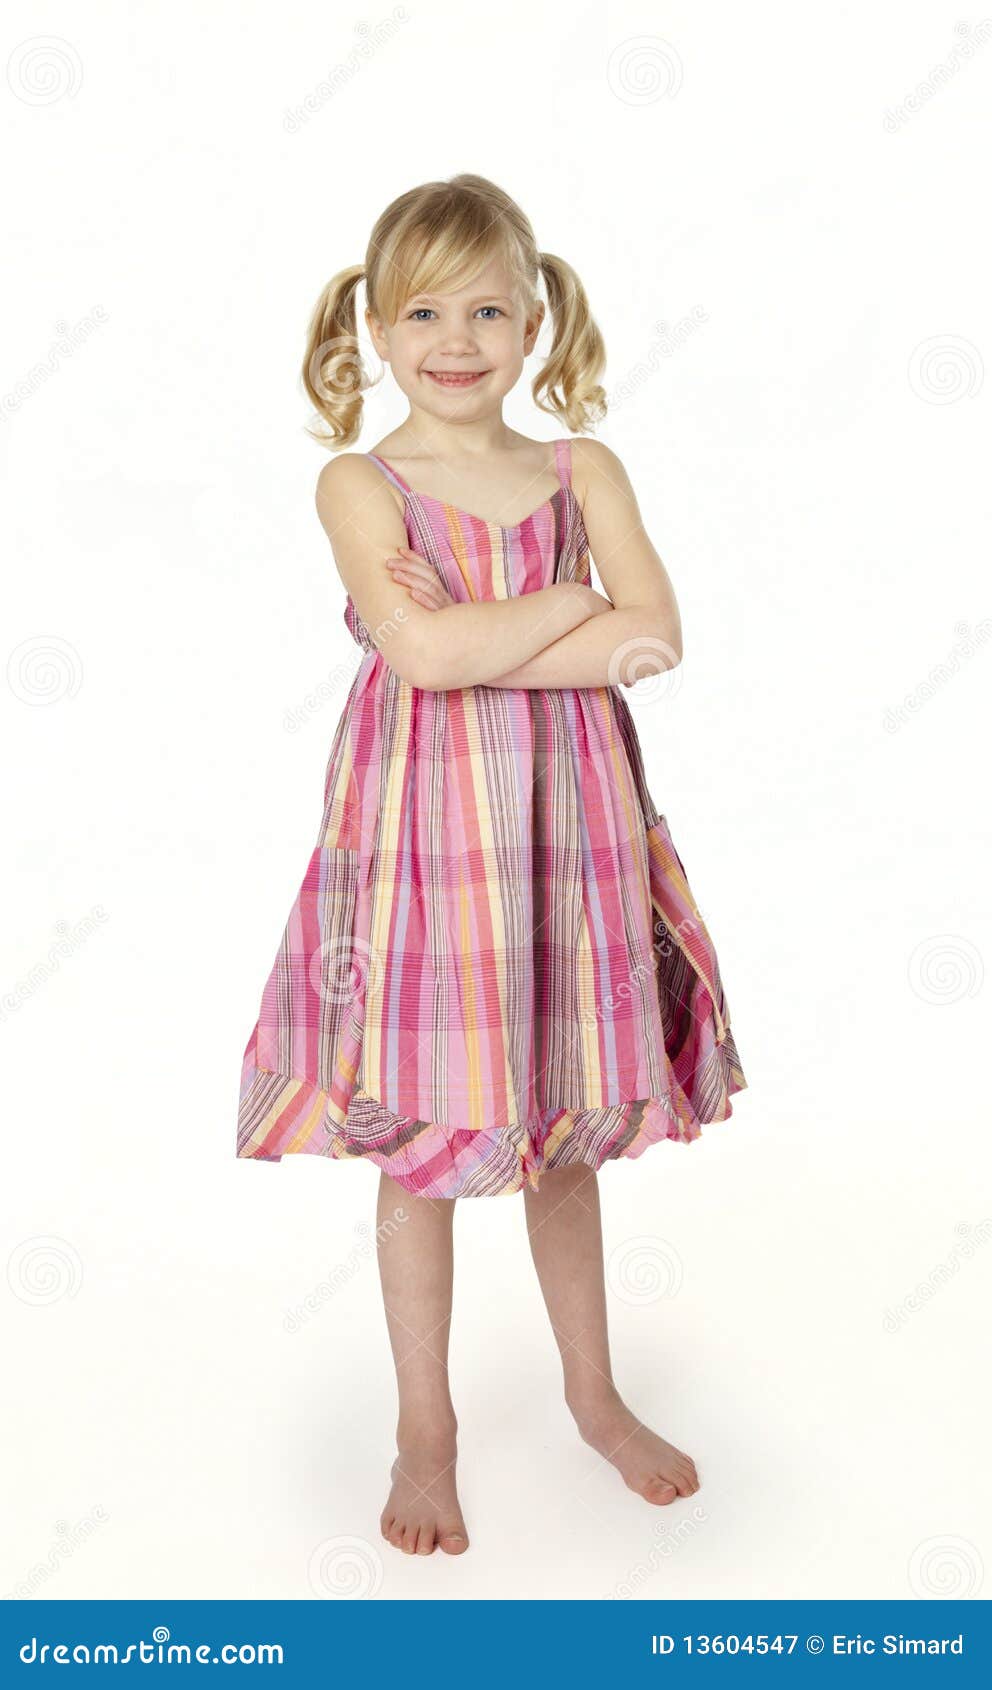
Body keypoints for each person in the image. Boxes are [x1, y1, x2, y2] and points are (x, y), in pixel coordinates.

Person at [237, 172, 747, 1557]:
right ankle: (426, 1427)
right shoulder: (361, 481)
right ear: (375, 329)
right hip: (426, 845)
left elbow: (658, 640)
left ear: (533, 321)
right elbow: (424, 654)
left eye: (486, 308)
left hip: (568, 837)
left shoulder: (586, 471)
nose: (455, 338)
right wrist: (576, 602)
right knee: (419, 1142)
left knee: (560, 1129)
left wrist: (536, 623)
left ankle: (593, 1391)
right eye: (422, 311)